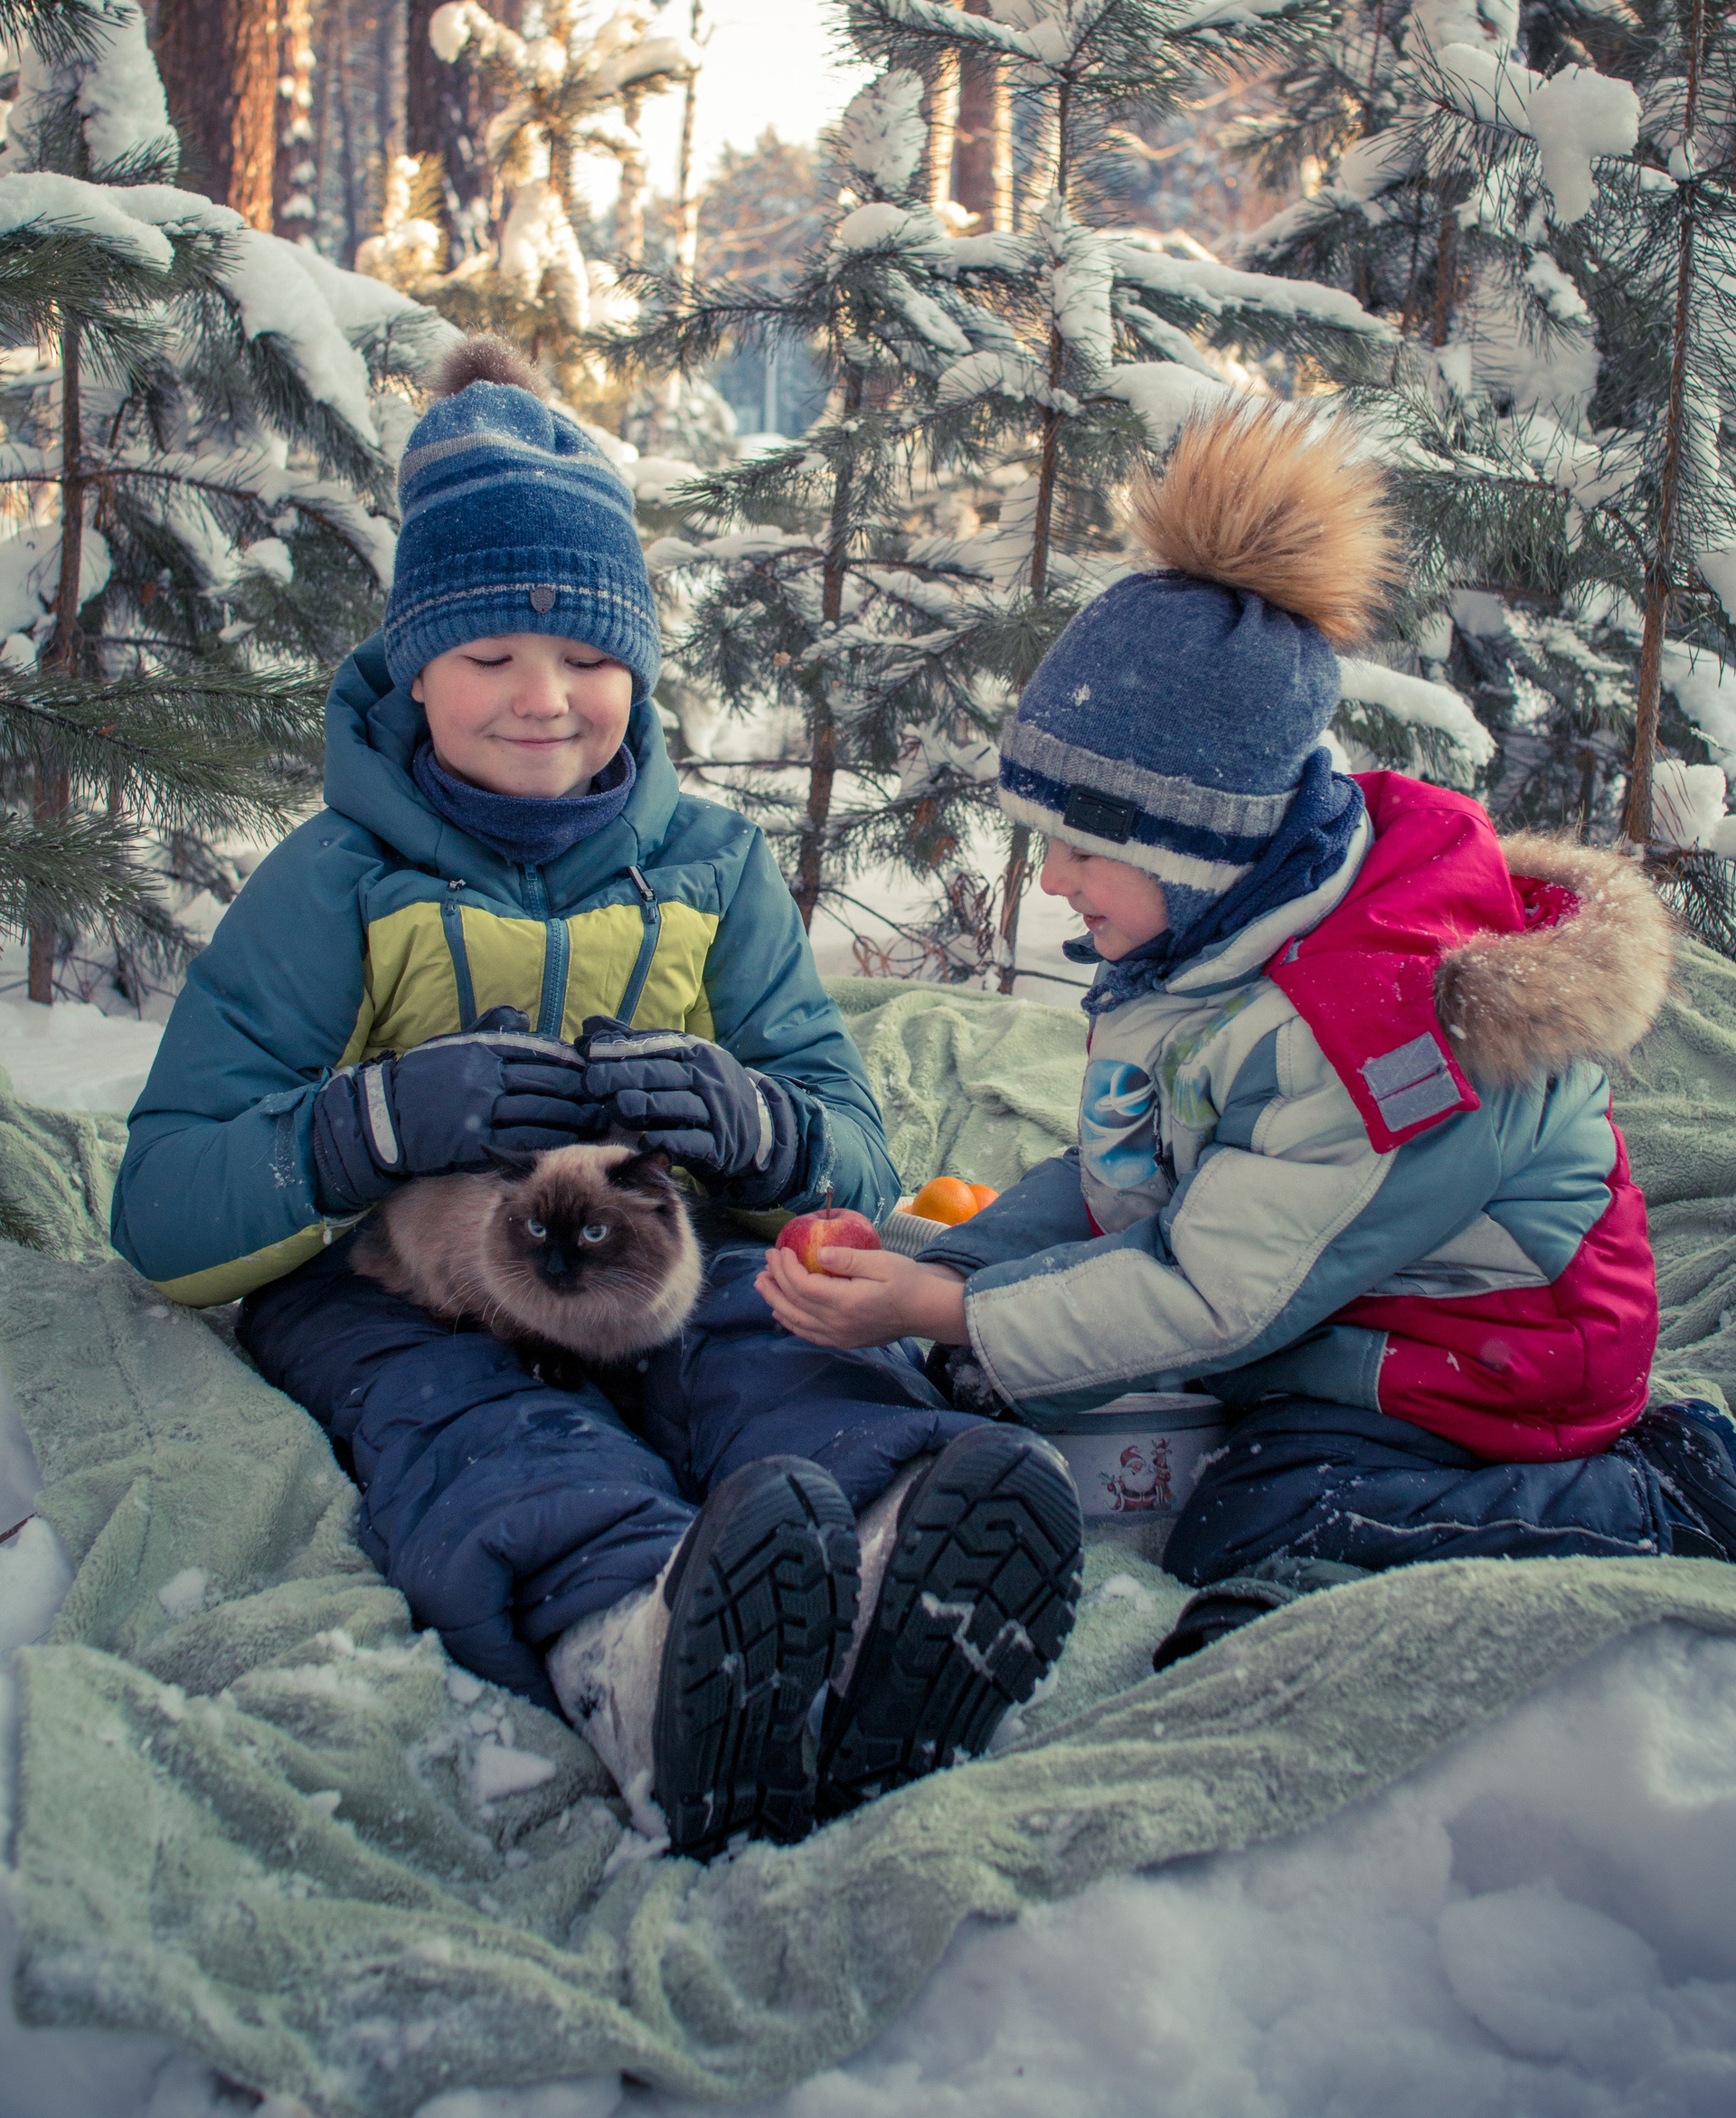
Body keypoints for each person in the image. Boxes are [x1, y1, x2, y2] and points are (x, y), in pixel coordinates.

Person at [110, 336, 1082, 1856]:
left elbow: (851, 1146)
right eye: (489, 656)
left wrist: (756, 1128)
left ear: (639, 666)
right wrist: (369, 1128)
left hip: (656, 1258)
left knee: (774, 1332)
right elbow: (166, 1208)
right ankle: (640, 1645)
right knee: (477, 1425)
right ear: (414, 665)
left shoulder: (711, 867)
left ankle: (898, 1564)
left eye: (587, 657)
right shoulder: (335, 883)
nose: (544, 700)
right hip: (399, 1294)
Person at [758, 398, 1736, 1665]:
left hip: (1485, 1362)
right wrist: (951, 1273)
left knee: (1254, 1518)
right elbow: (1125, 1172)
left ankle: (1658, 1496)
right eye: (1046, 841)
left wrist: (956, 1313)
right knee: (1065, 1393)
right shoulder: (1212, 938)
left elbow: (1212, 1292)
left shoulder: (1365, 1031)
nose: (1053, 881)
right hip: (1337, 1304)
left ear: (1198, 846)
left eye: (1085, 850)